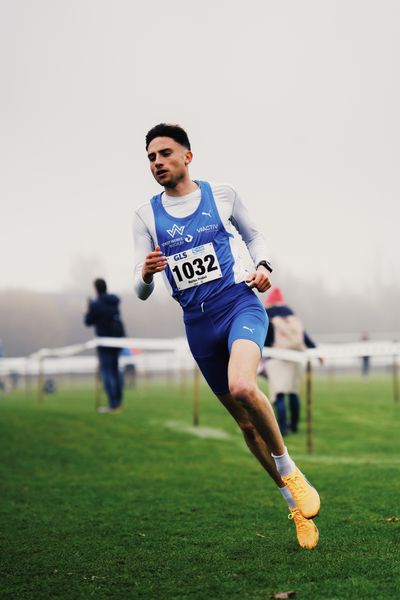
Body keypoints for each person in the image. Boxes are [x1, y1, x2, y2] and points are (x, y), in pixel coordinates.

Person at [133, 123, 320, 549]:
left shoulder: (221, 195)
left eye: (164, 154)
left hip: (238, 304)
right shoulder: (145, 216)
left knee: (242, 386)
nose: (157, 163)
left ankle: (292, 470)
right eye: (150, 158)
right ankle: (294, 505)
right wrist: (144, 275)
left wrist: (265, 267)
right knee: (245, 426)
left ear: (187, 157)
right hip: (197, 325)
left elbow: (255, 236)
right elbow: (140, 290)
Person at [260, 288, 321, 436]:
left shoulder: (268, 316)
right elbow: (305, 338)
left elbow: (266, 340)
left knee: (279, 394)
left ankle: (283, 429)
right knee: (293, 392)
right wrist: (317, 352)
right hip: (295, 357)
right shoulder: (293, 317)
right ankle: (293, 425)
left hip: (276, 358)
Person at [84, 278, 125, 413]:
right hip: (117, 341)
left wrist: (89, 309)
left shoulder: (96, 304)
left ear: (96, 289)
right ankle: (118, 403)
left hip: (104, 343)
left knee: (107, 373)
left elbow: (88, 321)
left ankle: (112, 404)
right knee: (115, 371)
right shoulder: (114, 301)